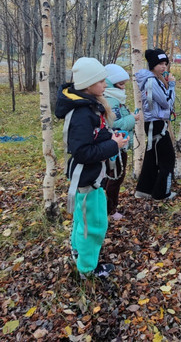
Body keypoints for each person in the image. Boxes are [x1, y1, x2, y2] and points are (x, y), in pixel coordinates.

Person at [55, 57, 128, 279]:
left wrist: (109, 136)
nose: (105, 85)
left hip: (90, 176)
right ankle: (88, 269)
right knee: (93, 224)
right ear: (88, 84)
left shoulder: (88, 107)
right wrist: (113, 145)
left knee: (83, 218)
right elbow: (82, 152)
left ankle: (79, 252)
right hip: (87, 178)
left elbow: (93, 136)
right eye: (101, 81)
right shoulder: (82, 113)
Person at [134, 48, 176, 201]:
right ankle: (161, 193)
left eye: (165, 63)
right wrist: (171, 86)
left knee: (152, 157)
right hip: (156, 123)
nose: (164, 67)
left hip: (155, 123)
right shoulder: (151, 81)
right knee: (168, 158)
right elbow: (166, 104)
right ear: (152, 65)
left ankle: (144, 189)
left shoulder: (154, 79)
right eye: (160, 63)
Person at [103, 63, 140, 220]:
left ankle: (104, 207)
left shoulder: (113, 98)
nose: (123, 87)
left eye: (124, 84)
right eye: (120, 84)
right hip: (116, 148)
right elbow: (115, 124)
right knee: (116, 177)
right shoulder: (111, 100)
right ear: (111, 83)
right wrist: (132, 118)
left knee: (109, 177)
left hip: (115, 146)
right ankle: (110, 210)